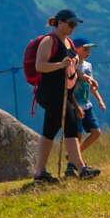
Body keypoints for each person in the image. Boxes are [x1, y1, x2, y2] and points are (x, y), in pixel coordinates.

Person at [31, 10, 99, 183]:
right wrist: (60, 64)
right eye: (71, 24)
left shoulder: (68, 42)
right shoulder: (49, 41)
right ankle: (82, 168)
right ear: (59, 23)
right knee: (70, 124)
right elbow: (40, 66)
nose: (73, 28)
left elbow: (72, 67)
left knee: (49, 131)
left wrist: (85, 78)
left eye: (75, 24)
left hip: (64, 94)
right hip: (51, 93)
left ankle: (40, 173)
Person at [69, 39, 108, 164]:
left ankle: (75, 156)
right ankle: (73, 163)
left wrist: (100, 101)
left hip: (86, 105)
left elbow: (92, 85)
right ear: (76, 49)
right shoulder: (71, 65)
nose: (88, 51)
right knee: (78, 135)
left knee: (96, 132)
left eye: (89, 49)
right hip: (75, 106)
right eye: (85, 49)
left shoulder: (88, 66)